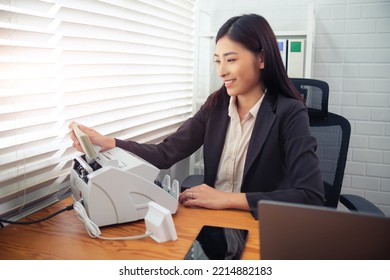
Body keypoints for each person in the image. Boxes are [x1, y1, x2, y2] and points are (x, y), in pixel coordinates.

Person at [69, 14, 324, 218]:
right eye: (217, 61)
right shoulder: (215, 107)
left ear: (261, 59)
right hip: (213, 222)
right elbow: (165, 153)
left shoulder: (290, 112)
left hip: (258, 225)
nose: (222, 71)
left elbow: (311, 195)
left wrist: (226, 198)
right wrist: (109, 142)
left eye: (231, 59)